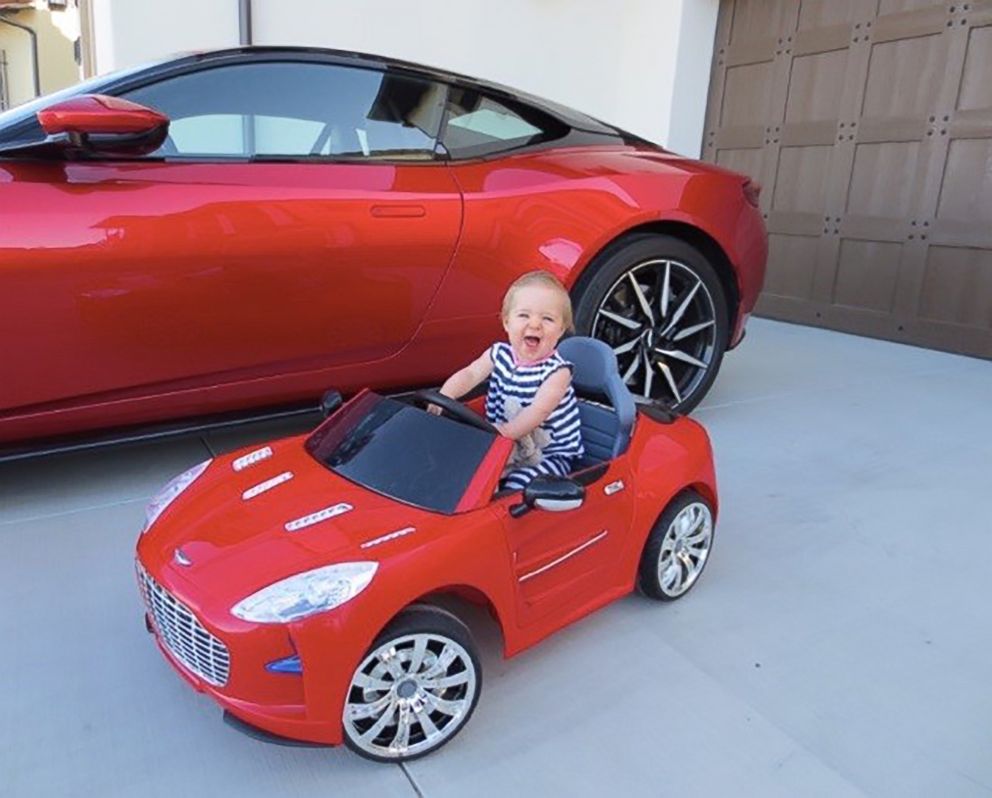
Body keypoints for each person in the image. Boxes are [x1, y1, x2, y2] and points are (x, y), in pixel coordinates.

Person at [436, 270, 584, 490]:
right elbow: (470, 374)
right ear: (506, 322)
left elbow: (538, 411)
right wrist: (444, 395)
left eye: (548, 319)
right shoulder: (499, 354)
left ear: (560, 330)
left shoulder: (557, 372)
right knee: (457, 468)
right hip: (502, 440)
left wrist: (504, 436)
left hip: (547, 454)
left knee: (520, 487)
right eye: (524, 315)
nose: (535, 325)